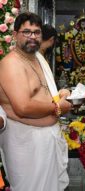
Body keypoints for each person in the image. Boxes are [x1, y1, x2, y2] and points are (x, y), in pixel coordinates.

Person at [0, 12, 72, 191]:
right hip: (26, 146)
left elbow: (43, 93)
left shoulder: (37, 58)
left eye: (36, 32)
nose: (32, 37)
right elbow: (23, 107)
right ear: (15, 35)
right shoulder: (12, 64)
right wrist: (58, 107)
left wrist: (62, 96)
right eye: (26, 32)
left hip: (46, 142)